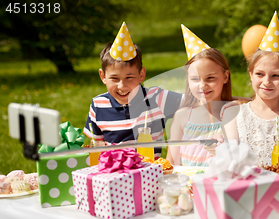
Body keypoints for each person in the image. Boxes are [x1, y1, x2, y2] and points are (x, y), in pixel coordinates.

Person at [84, 22, 183, 159]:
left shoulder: (157, 98)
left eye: (129, 77)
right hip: (113, 174)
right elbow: (97, 143)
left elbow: (193, 102)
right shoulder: (98, 104)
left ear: (141, 75)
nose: (122, 86)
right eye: (114, 78)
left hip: (149, 173)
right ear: (103, 76)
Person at [222, 12, 279, 167]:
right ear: (251, 74)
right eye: (260, 74)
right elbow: (230, 160)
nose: (266, 82)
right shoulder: (235, 115)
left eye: (275, 75)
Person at [166, 25, 235, 167]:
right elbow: (171, 162)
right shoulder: (182, 117)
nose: (202, 86)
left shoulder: (234, 115)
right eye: (195, 79)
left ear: (225, 76)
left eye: (210, 78)